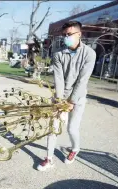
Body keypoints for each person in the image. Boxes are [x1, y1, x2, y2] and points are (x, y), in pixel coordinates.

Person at [37, 21, 96, 171]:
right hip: (60, 96)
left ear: (79, 34)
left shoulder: (89, 54)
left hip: (78, 97)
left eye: (69, 34)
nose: (66, 37)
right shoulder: (58, 53)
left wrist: (71, 102)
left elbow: (83, 80)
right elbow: (58, 78)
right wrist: (59, 100)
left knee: (72, 129)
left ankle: (75, 148)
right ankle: (49, 159)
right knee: (53, 128)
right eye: (64, 35)